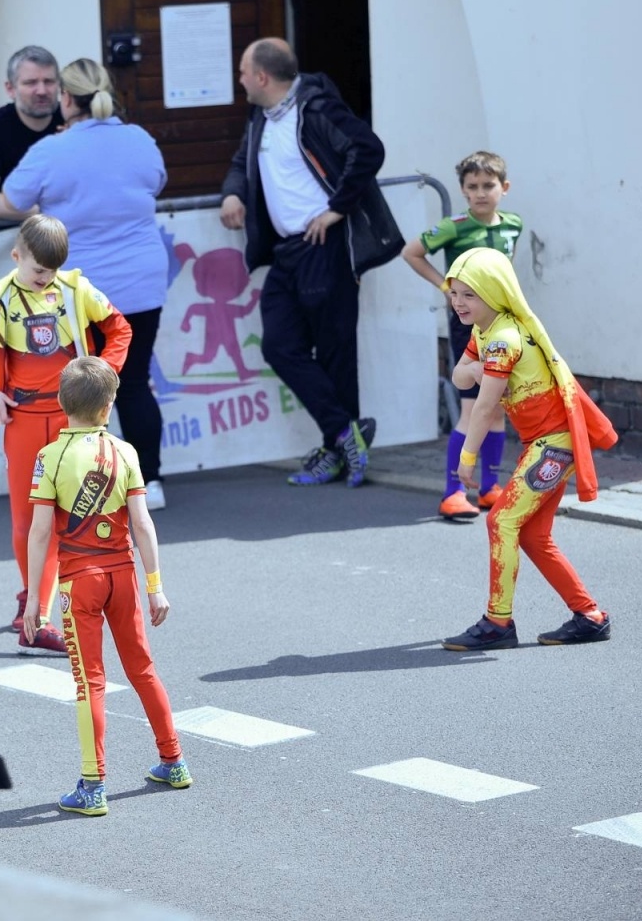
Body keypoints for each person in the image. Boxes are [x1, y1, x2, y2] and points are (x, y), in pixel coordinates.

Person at [0, 216, 132, 655]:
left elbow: (120, 329)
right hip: (23, 421)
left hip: (73, 420)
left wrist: (104, 375)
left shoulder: (75, 289)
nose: (45, 279)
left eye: (52, 270)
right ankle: (37, 610)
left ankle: (45, 603)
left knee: (74, 515)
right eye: (38, 270)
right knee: (29, 520)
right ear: (16, 256)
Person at [220, 38, 399, 489]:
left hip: (324, 245)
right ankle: (346, 434)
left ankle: (337, 451)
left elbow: (368, 149)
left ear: (262, 76)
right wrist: (232, 192)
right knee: (280, 345)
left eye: (243, 71)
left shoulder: (315, 108)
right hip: (284, 251)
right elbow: (244, 160)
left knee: (336, 352)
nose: (239, 79)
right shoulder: (260, 115)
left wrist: (337, 207)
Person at [23, 356, 190, 817]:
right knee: (143, 669)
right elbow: (143, 523)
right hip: (123, 576)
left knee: (89, 682)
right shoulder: (127, 452)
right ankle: (173, 760)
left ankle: (93, 785)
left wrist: (36, 600)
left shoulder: (49, 457)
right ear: (109, 405)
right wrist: (155, 585)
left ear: (60, 402)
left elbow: (39, 533)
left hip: (80, 582)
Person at [3, 58, 171, 510]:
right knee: (133, 382)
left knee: (76, 388)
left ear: (66, 99)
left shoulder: (51, 151)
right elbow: (157, 182)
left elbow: (15, 197)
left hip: (82, 289)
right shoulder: (138, 139)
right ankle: (149, 483)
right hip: (142, 278)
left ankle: (82, 484)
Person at [439, 247, 618, 652]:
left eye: (470, 294)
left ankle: (497, 622)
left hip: (553, 447)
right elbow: (459, 378)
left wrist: (466, 459)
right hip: (546, 445)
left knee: (500, 521)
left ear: (494, 293)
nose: (459, 302)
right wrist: (474, 369)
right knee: (534, 536)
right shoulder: (486, 330)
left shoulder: (501, 339)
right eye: (455, 293)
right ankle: (590, 617)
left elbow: (483, 406)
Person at [401, 151, 525, 521]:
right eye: (473, 187)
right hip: (467, 326)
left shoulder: (513, 224)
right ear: (463, 191)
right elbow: (412, 252)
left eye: (489, 185)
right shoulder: (453, 226)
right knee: (472, 407)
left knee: (498, 406)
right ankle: (453, 492)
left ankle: (489, 488)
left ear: (504, 188)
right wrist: (447, 288)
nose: (481, 193)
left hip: (503, 326)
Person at [0, 46, 62, 222]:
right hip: (10, 241)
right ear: (10, 89)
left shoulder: (72, 120)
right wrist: (49, 211)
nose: (41, 91)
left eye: (49, 81)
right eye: (31, 83)